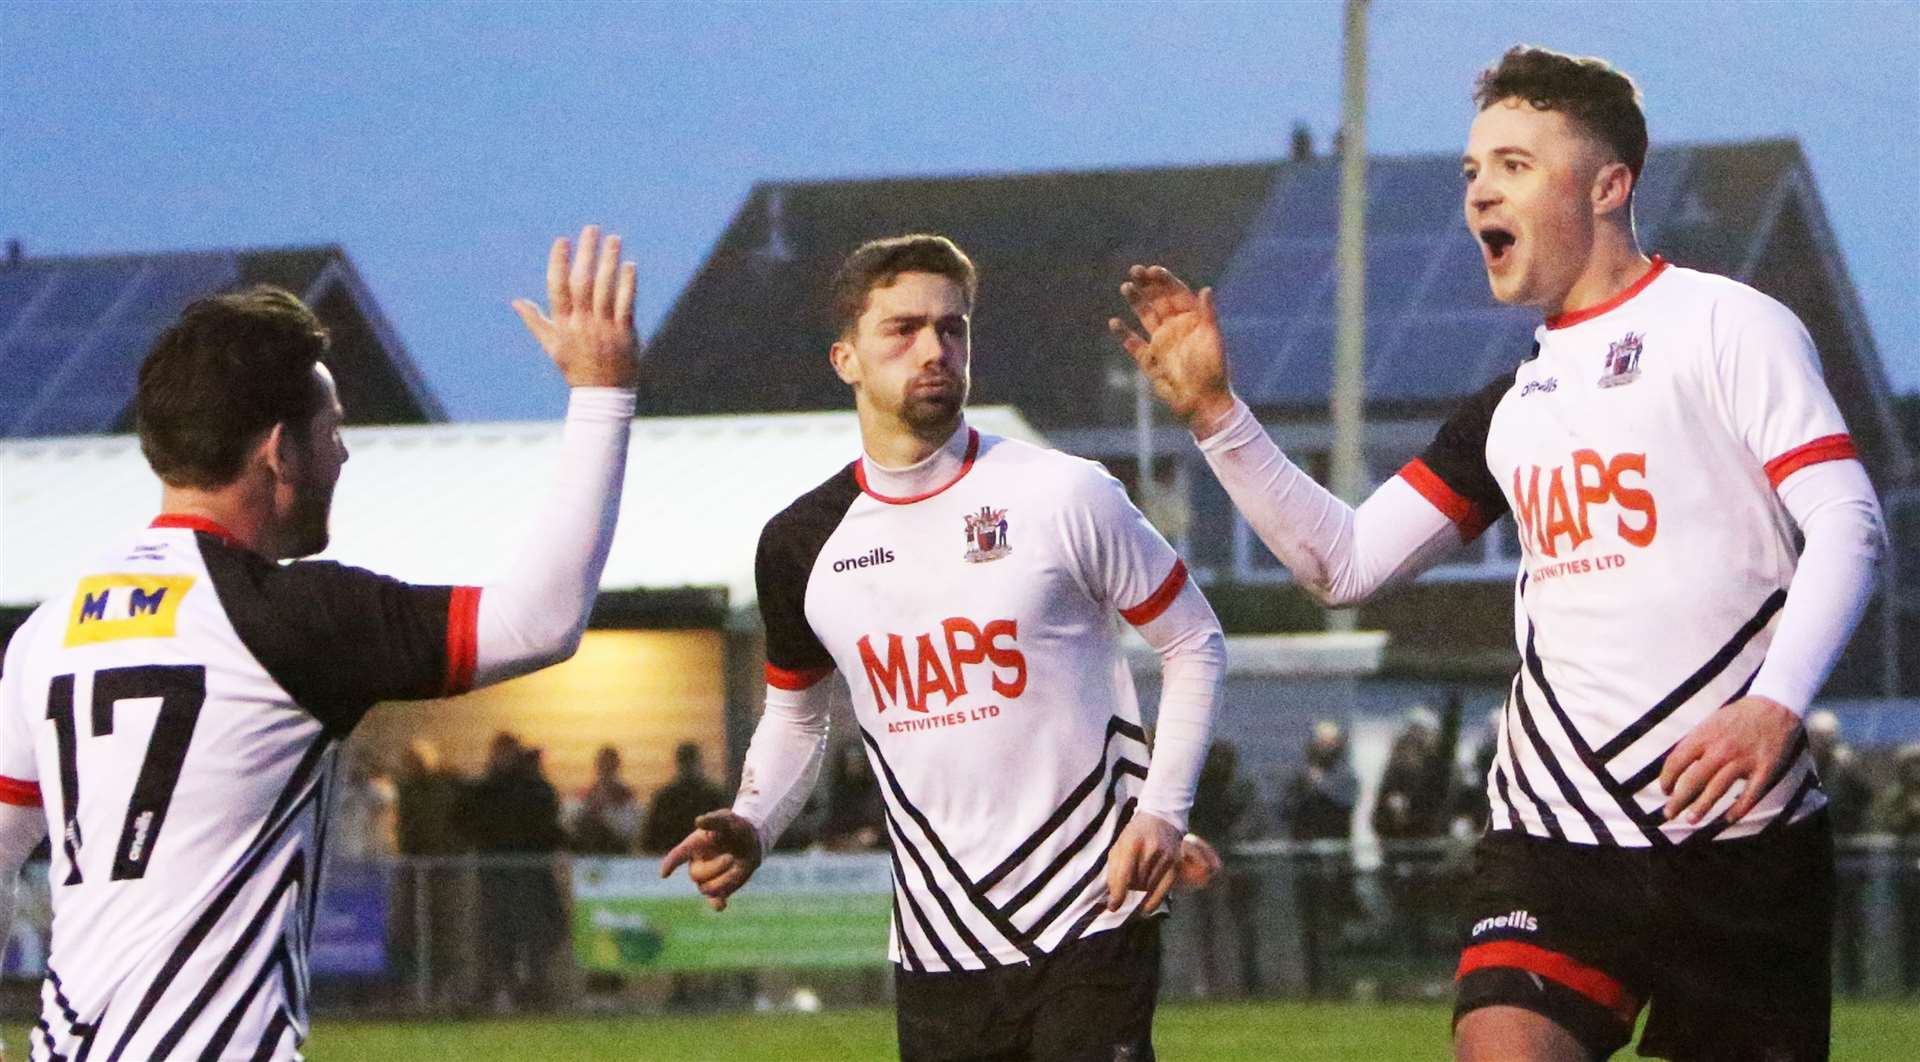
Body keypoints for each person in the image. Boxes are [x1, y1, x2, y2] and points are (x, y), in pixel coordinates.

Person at [1111, 46, 1884, 1062]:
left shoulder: (1727, 327)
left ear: (1609, 186)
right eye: (1473, 170)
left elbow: (1848, 519)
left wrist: (1777, 703)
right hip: (1553, 835)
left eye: (1514, 164)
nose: (1479, 189)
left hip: (1737, 836)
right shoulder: (1510, 407)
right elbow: (1342, 564)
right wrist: (1215, 413)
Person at [0, 227, 639, 1060]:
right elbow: (542, 618)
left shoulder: (48, 631)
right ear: (277, 451)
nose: (344, 452)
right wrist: (604, 392)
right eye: (331, 428)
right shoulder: (294, 619)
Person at [662, 234, 1226, 1061]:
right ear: (846, 358)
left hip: (1091, 909)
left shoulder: (1064, 493)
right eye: (904, 329)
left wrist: (1163, 813)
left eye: (953, 328)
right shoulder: (798, 545)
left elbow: (1195, 641)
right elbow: (796, 719)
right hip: (938, 942)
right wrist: (753, 821)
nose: (935, 349)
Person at [459, 734, 568, 1011]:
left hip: (530, 878)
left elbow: (546, 819)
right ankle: (500, 991)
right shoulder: (486, 789)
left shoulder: (534, 788)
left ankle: (536, 994)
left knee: (535, 938)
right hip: (495, 877)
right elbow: (466, 817)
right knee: (497, 938)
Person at [640, 742, 728, 855]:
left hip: (674, 858)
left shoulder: (664, 797)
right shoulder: (713, 795)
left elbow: (650, 839)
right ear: (699, 763)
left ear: (678, 763)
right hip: (706, 858)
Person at [567, 743, 642, 855]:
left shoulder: (625, 796)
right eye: (602, 763)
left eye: (609, 763)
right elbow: (572, 823)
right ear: (597, 765)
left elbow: (629, 830)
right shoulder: (585, 793)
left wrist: (605, 816)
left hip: (616, 852)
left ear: (616, 765)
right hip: (587, 851)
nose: (605, 767)